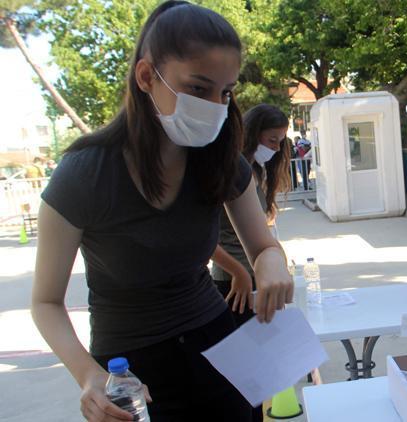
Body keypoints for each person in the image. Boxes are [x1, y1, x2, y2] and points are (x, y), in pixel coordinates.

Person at [30, 3, 293, 421]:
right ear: (148, 76)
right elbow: (45, 302)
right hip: (131, 370)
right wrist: (88, 376)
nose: (215, 106)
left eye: (225, 92)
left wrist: (272, 263)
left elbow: (263, 246)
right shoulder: (85, 174)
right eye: (198, 89)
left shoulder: (220, 157)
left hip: (218, 342)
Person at [212, 103, 292, 326]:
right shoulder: (230, 172)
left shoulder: (254, 170)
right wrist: (239, 273)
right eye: (272, 140)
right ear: (252, 135)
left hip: (257, 277)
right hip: (235, 283)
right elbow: (202, 239)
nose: (277, 149)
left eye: (281, 141)